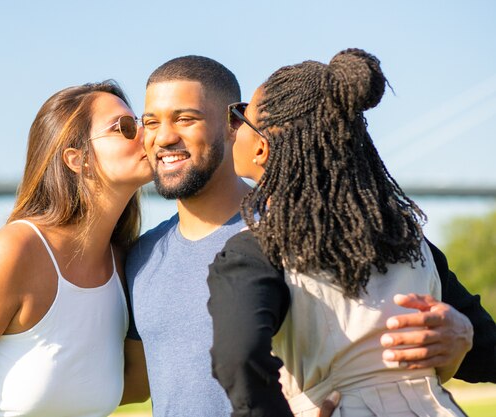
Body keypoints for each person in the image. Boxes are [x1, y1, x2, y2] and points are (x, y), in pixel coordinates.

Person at [125, 55, 493, 417]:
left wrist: (463, 336)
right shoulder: (139, 257)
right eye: (150, 121)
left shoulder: (298, 242)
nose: (165, 136)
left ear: (247, 135)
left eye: (186, 118)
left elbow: (237, 358)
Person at [0, 81, 152, 417]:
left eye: (141, 123)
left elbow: (133, 386)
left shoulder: (129, 267)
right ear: (76, 160)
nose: (146, 135)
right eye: (123, 127)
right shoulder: (12, 254)